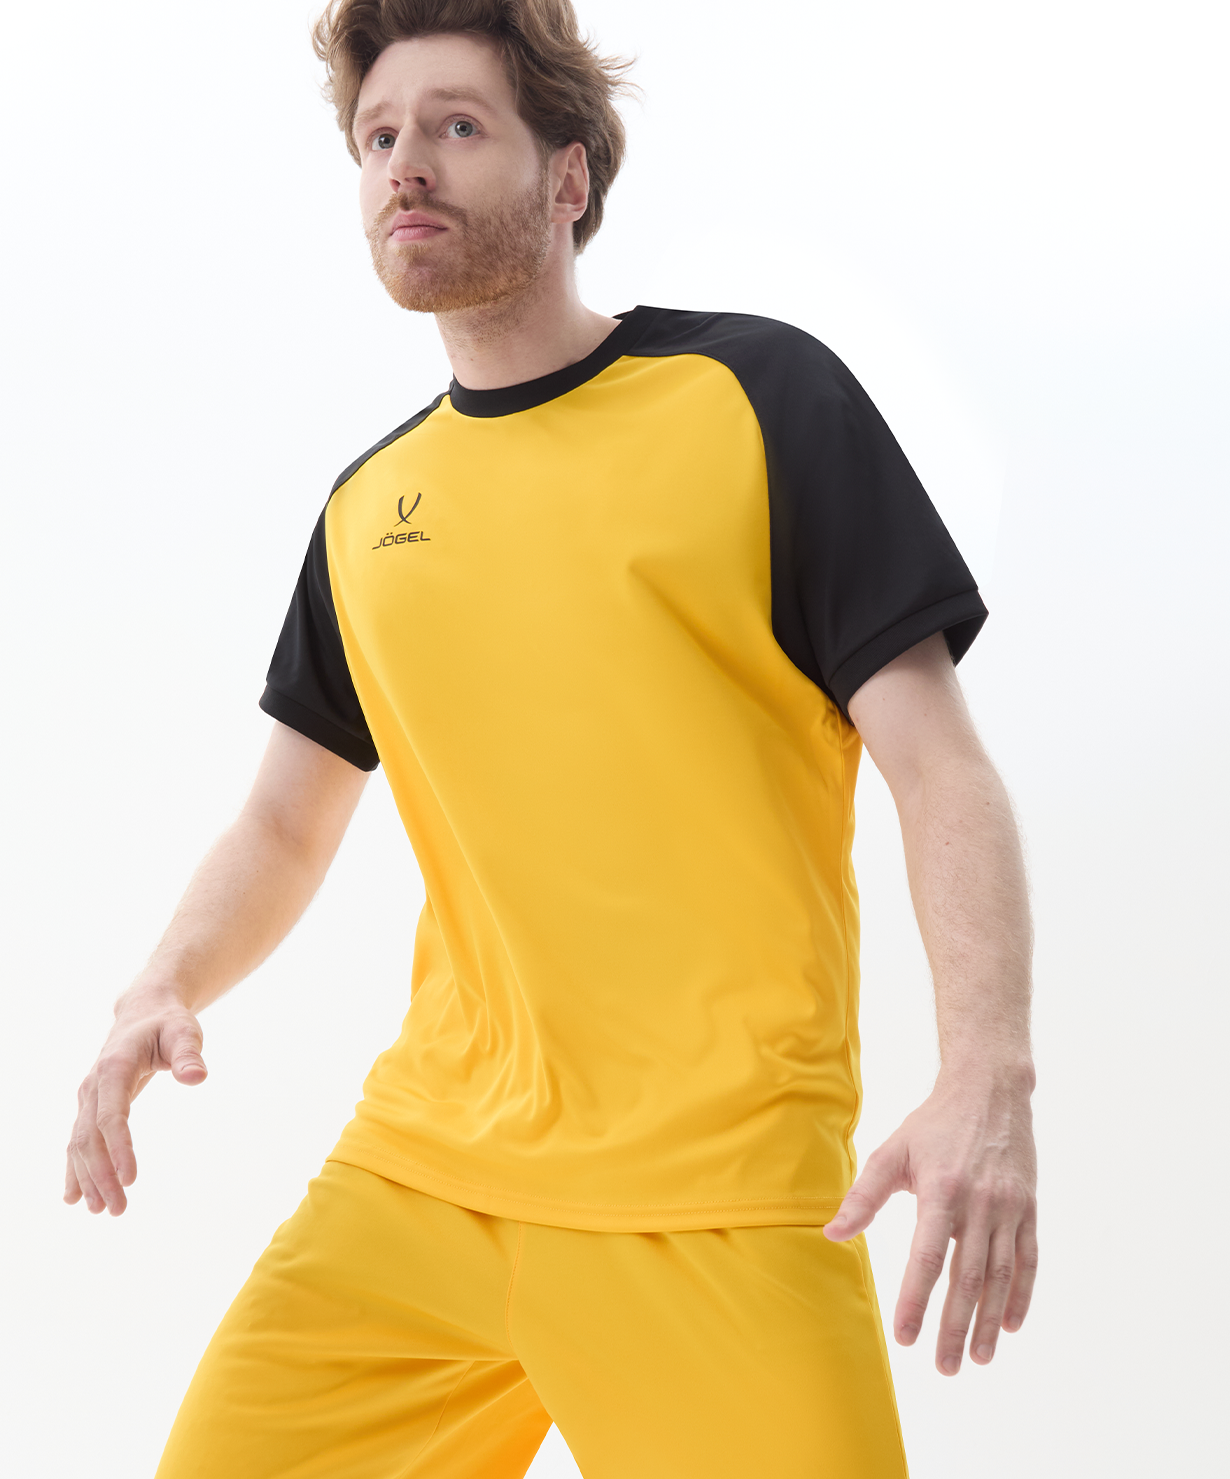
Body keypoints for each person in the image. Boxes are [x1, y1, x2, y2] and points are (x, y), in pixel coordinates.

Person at [64, 2, 1038, 1475]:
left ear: (568, 175)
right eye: (378, 137)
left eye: (457, 125)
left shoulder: (758, 397)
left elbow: (939, 766)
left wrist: (987, 1070)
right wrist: (162, 982)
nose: (406, 163)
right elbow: (284, 818)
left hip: (712, 1194)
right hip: (422, 1182)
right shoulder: (365, 511)